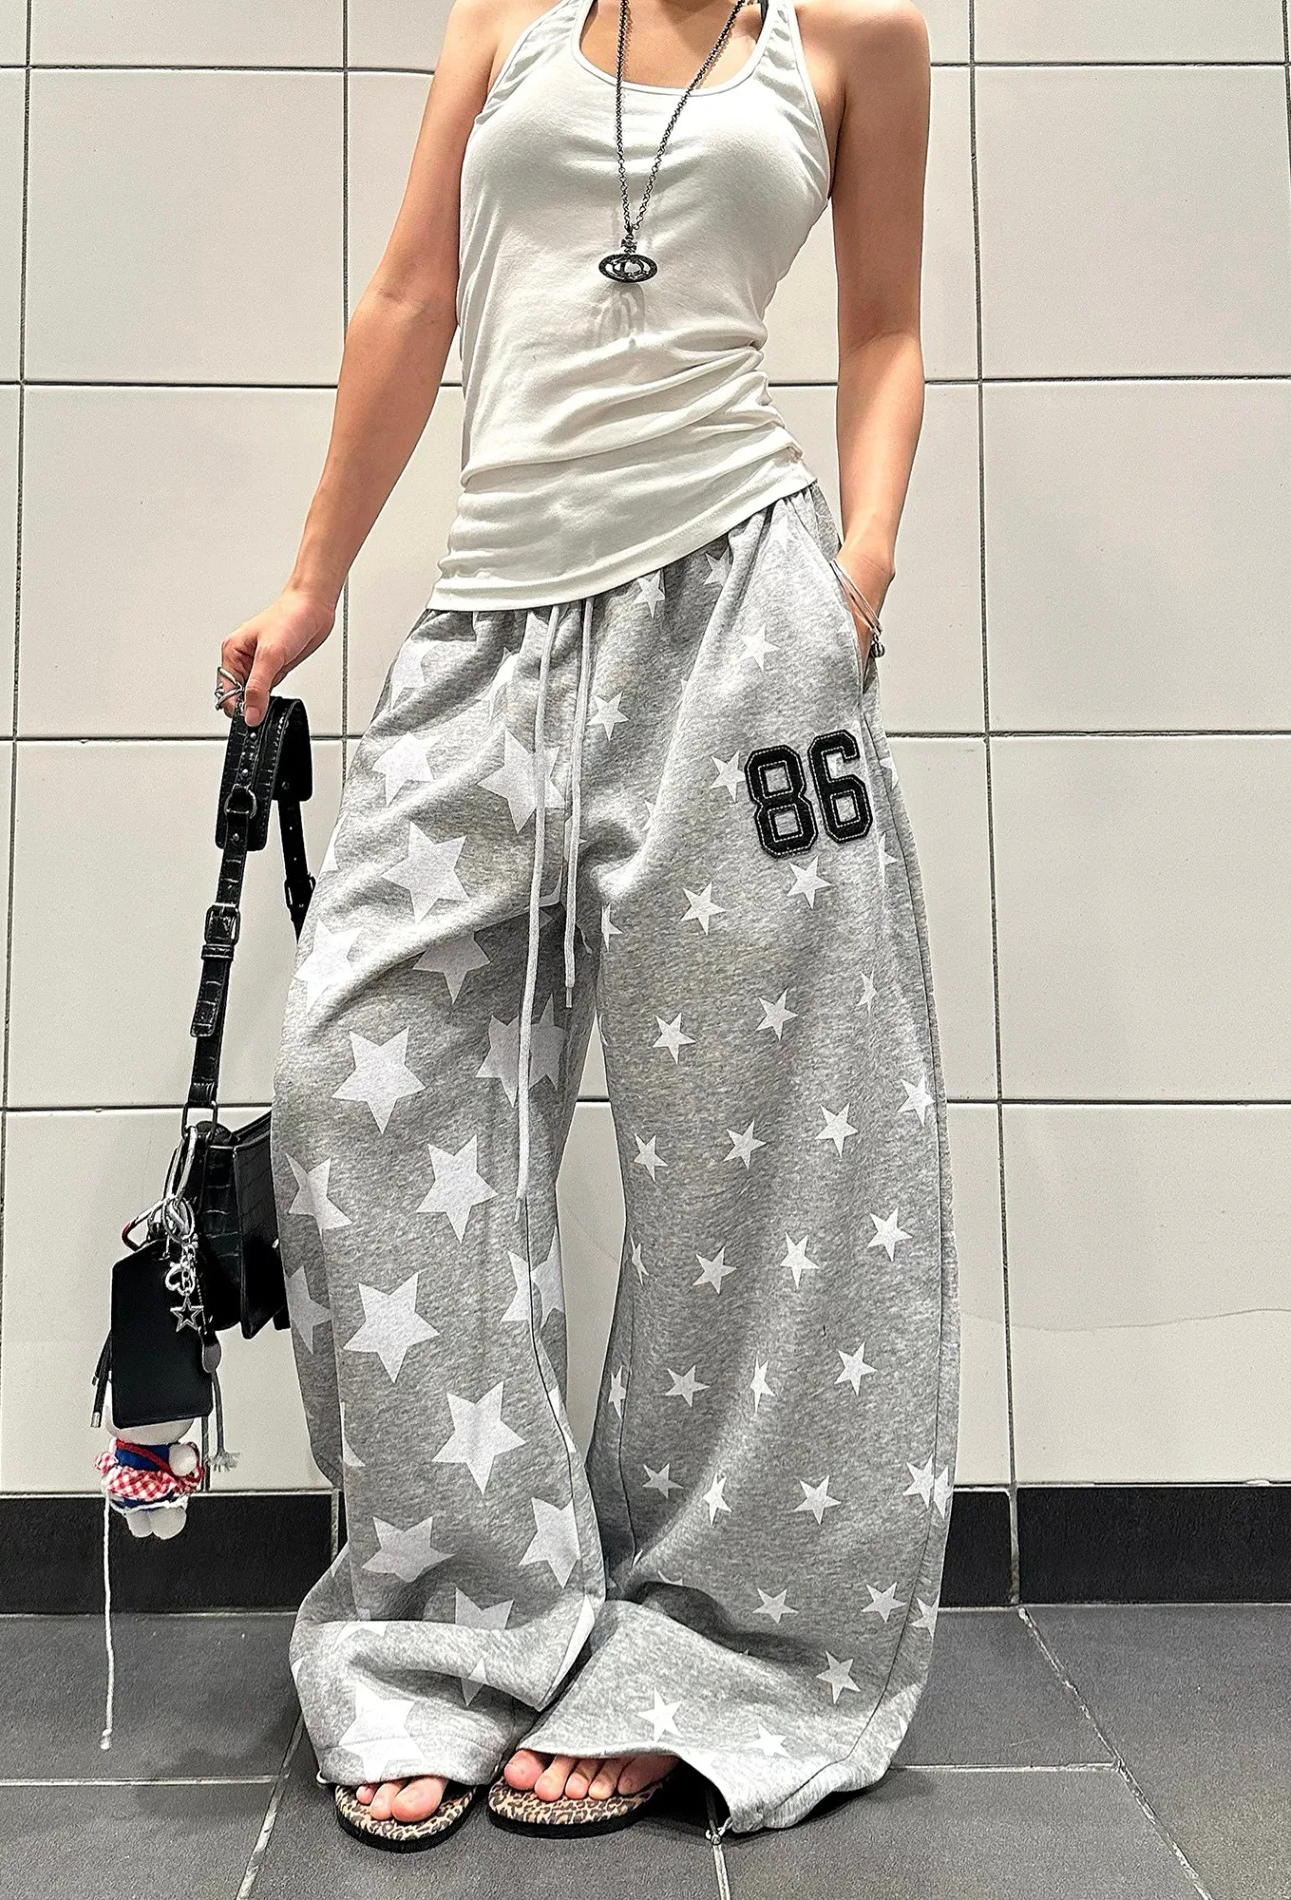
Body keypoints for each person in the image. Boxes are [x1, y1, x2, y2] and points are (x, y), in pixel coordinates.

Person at [220, 0, 956, 1851]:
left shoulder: (853, 35)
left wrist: (858, 583)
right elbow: (413, 299)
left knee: (775, 1134)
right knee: (360, 1077)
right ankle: (457, 1621)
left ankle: (717, 1642)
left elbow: (882, 328)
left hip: (745, 621)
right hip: (492, 618)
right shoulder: (510, 17)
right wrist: (313, 582)